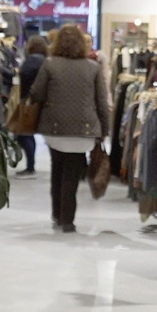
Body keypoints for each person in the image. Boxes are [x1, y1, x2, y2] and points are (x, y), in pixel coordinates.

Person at [30, 25, 110, 233]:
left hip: (54, 127)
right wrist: (104, 130)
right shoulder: (92, 67)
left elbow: (36, 93)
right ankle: (67, 220)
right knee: (72, 174)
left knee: (57, 169)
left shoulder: (49, 64)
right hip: (83, 129)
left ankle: (57, 214)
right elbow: (101, 101)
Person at [14, 36, 49, 176]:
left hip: (29, 101)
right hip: (38, 101)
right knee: (26, 134)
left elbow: (24, 76)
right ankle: (30, 165)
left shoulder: (32, 60)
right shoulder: (45, 59)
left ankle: (30, 166)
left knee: (24, 133)